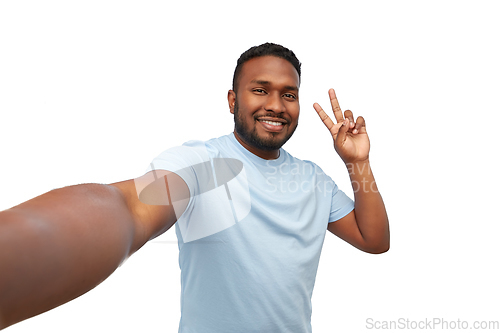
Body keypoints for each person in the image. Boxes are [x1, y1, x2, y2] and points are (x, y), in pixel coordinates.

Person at [0, 43, 389, 332]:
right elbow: (133, 207)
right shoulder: (201, 162)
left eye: (289, 95)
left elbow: (374, 240)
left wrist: (358, 162)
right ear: (233, 100)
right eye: (260, 89)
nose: (276, 105)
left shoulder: (313, 178)